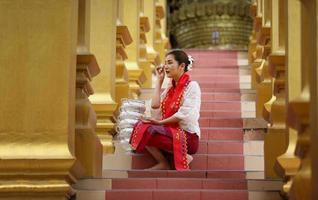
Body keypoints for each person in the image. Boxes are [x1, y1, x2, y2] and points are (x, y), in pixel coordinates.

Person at [129, 49, 201, 170]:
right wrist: (159, 80)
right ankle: (163, 162)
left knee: (148, 129)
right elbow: (155, 106)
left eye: (170, 63)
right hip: (169, 133)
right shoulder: (169, 89)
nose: (166, 66)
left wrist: (159, 122)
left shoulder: (192, 87)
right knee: (141, 126)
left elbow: (184, 114)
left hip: (188, 137)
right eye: (165, 63)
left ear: (182, 66)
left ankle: (184, 155)